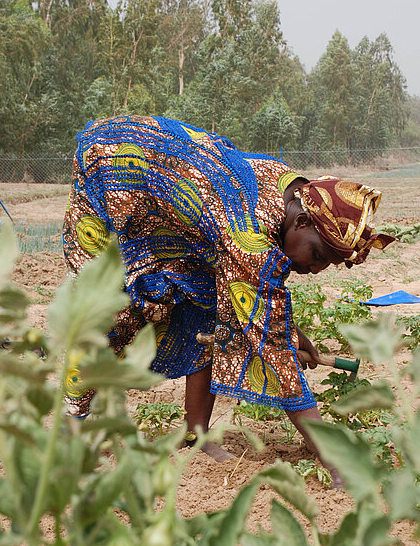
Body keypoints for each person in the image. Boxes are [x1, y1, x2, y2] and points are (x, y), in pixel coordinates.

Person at [62, 115, 395, 485]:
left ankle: (196, 435)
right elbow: (271, 345)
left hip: (168, 210)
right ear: (300, 223)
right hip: (109, 184)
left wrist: (290, 331)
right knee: (106, 313)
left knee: (208, 303)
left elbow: (263, 306)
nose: (314, 269)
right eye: (317, 256)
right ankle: (68, 432)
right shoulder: (247, 233)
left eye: (325, 265)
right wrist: (331, 456)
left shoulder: (290, 187)